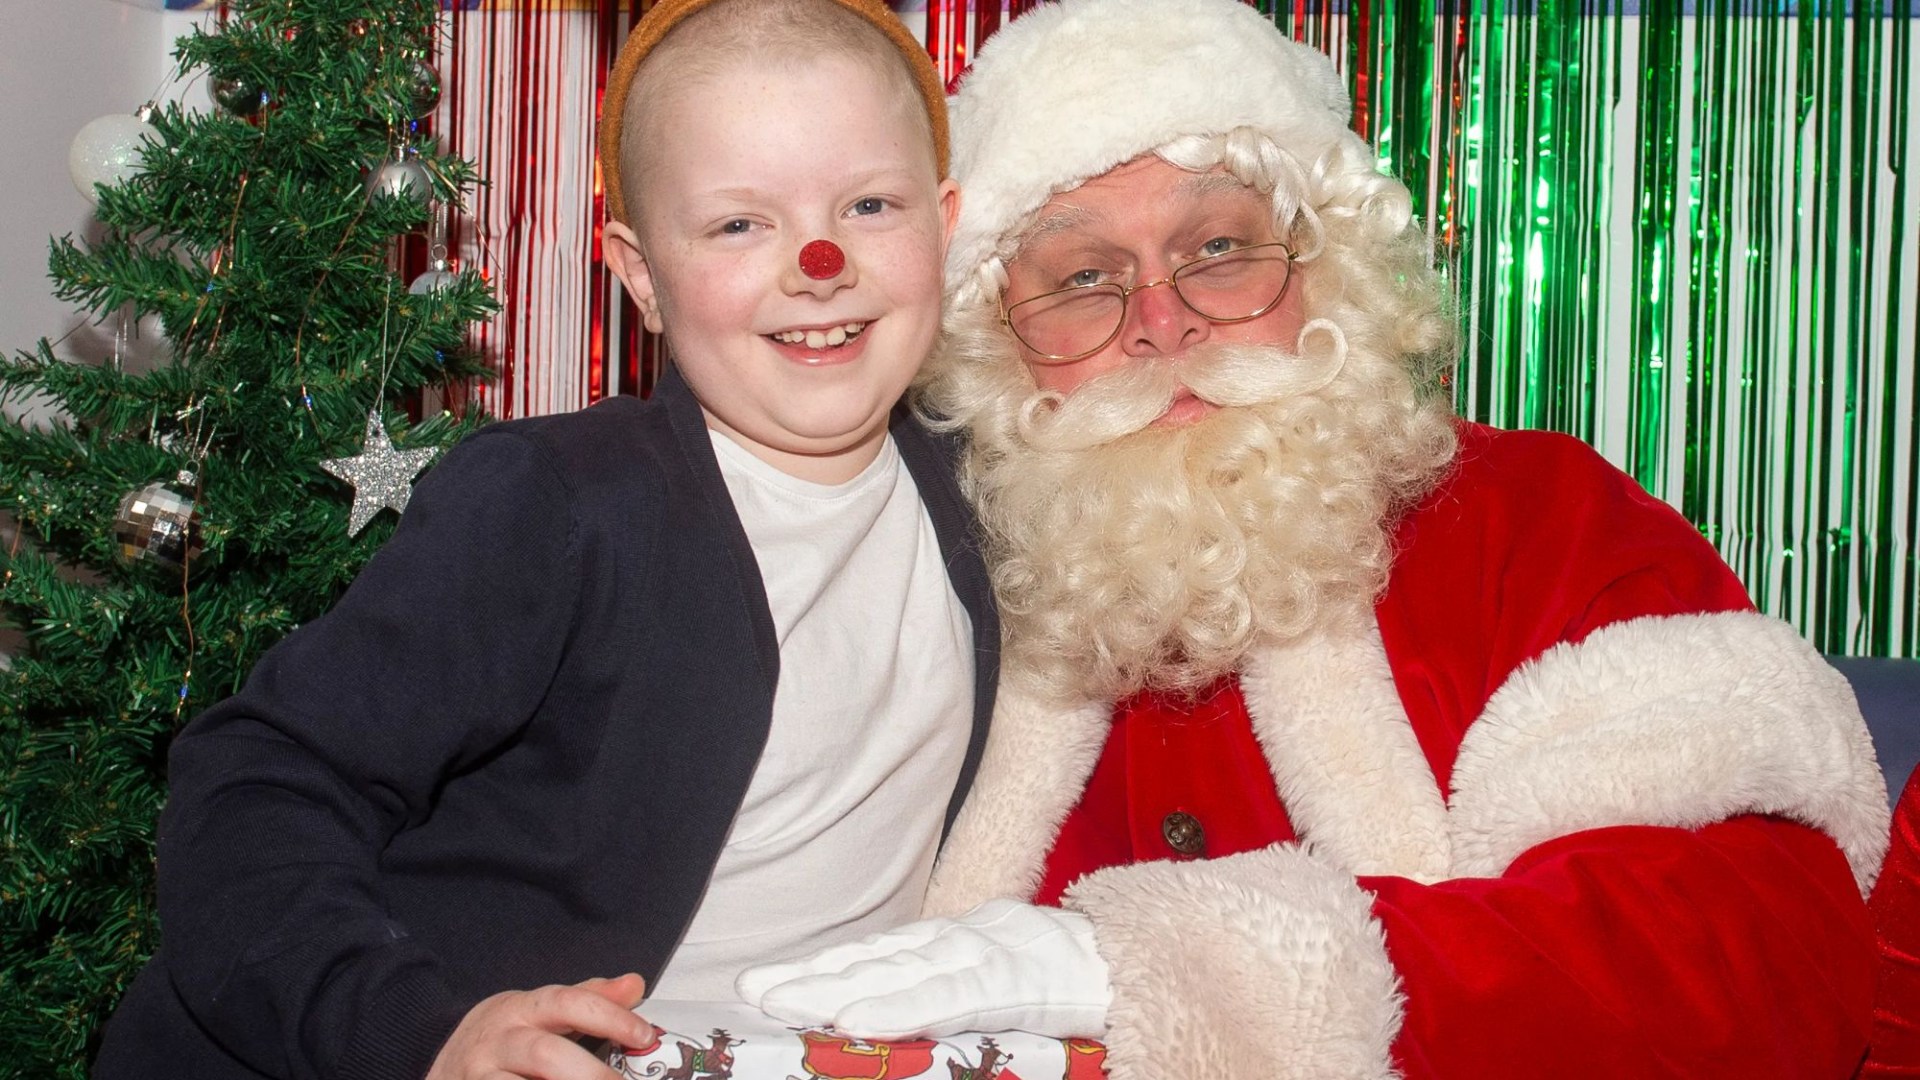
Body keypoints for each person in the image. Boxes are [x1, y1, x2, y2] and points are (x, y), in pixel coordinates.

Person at [737, 0, 1892, 1075]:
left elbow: (1757, 939)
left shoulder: (1533, 517)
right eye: (1083, 277)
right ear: (1002, 345)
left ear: (1326, 271)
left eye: (1220, 252)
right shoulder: (927, 579)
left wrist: (1165, 968)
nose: (1161, 321)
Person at [92, 1, 994, 1078]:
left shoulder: (982, 482)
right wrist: (417, 1036)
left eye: (870, 203)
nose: (818, 259)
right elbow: (256, 781)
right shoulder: (557, 506)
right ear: (642, 275)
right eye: (737, 224)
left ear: (945, 225)